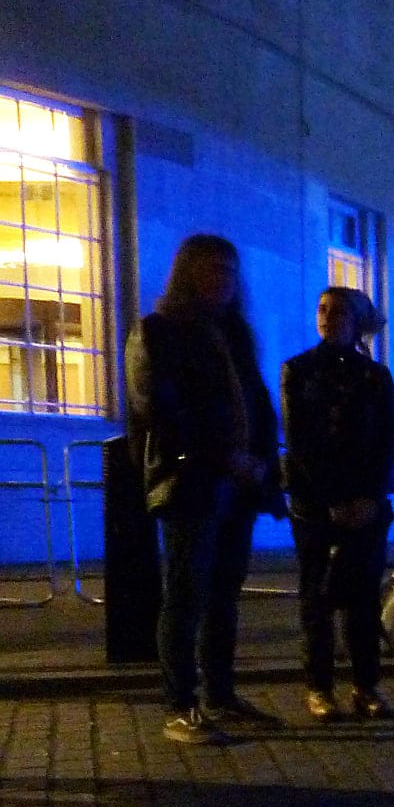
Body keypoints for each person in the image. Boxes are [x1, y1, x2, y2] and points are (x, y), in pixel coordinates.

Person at [125, 234, 286, 743]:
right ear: (186, 274)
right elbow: (163, 411)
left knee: (223, 594)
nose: (221, 280)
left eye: (229, 271)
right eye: (210, 269)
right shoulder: (160, 331)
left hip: (238, 485)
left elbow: (257, 407)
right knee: (185, 594)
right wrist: (227, 458)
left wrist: (262, 466)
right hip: (191, 481)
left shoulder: (235, 334)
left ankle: (221, 693)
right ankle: (180, 704)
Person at [280, 287, 394, 722]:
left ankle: (366, 685)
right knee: (317, 595)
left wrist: (369, 497)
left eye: (338, 312)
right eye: (322, 310)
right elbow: (299, 443)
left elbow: (387, 441)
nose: (328, 318)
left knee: (363, 596)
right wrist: (331, 500)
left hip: (366, 503)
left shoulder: (375, 377)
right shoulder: (298, 370)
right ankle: (319, 687)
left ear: (356, 321)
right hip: (315, 505)